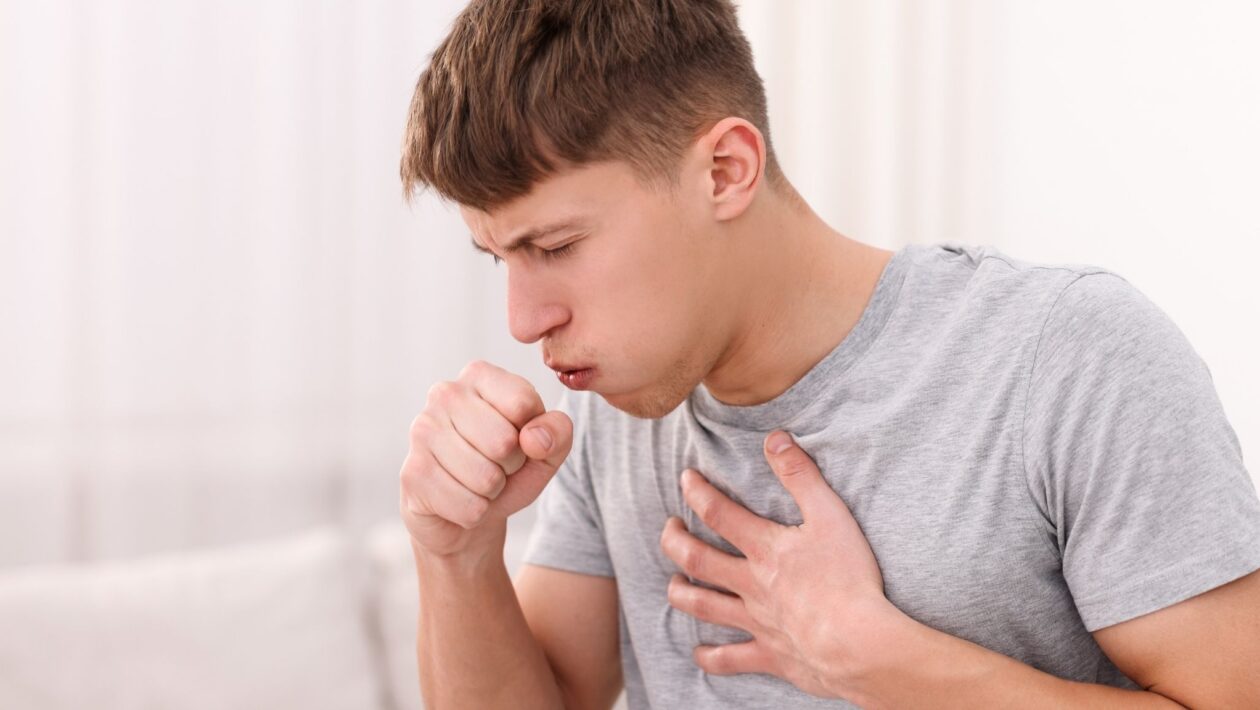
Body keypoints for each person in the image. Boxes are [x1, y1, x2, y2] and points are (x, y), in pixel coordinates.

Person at [395, 1, 1260, 708]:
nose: (522, 319)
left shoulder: (1068, 356)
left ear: (726, 170)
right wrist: (457, 555)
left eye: (556, 246)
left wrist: (892, 667)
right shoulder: (610, 410)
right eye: (500, 258)